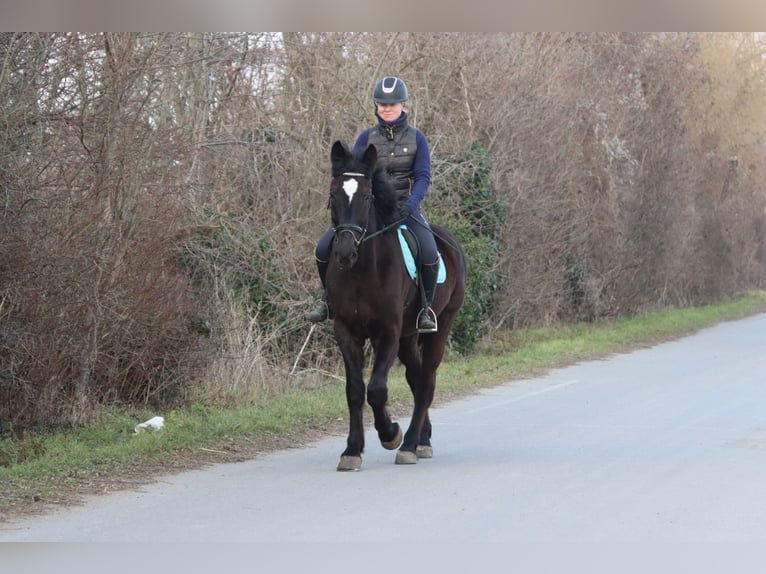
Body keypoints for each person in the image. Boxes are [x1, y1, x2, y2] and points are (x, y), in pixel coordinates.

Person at [307, 75, 440, 333]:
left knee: (429, 252)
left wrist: (412, 204)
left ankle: (425, 309)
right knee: (323, 248)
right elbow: (352, 174)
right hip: (369, 212)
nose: (387, 109)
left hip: (405, 208)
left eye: (392, 104)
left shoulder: (418, 139)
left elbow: (423, 177)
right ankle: (327, 302)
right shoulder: (366, 137)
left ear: (403, 105)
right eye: (382, 104)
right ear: (376, 106)